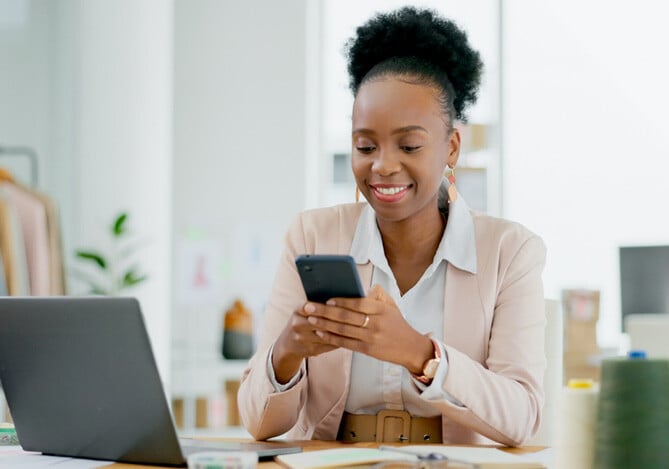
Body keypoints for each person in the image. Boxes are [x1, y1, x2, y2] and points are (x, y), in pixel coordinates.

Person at [238, 6, 546, 447]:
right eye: (365, 145)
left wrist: (418, 353)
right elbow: (259, 424)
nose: (382, 165)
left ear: (452, 147)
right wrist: (287, 351)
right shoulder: (311, 235)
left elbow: (522, 417)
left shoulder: (509, 250)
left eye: (409, 145)